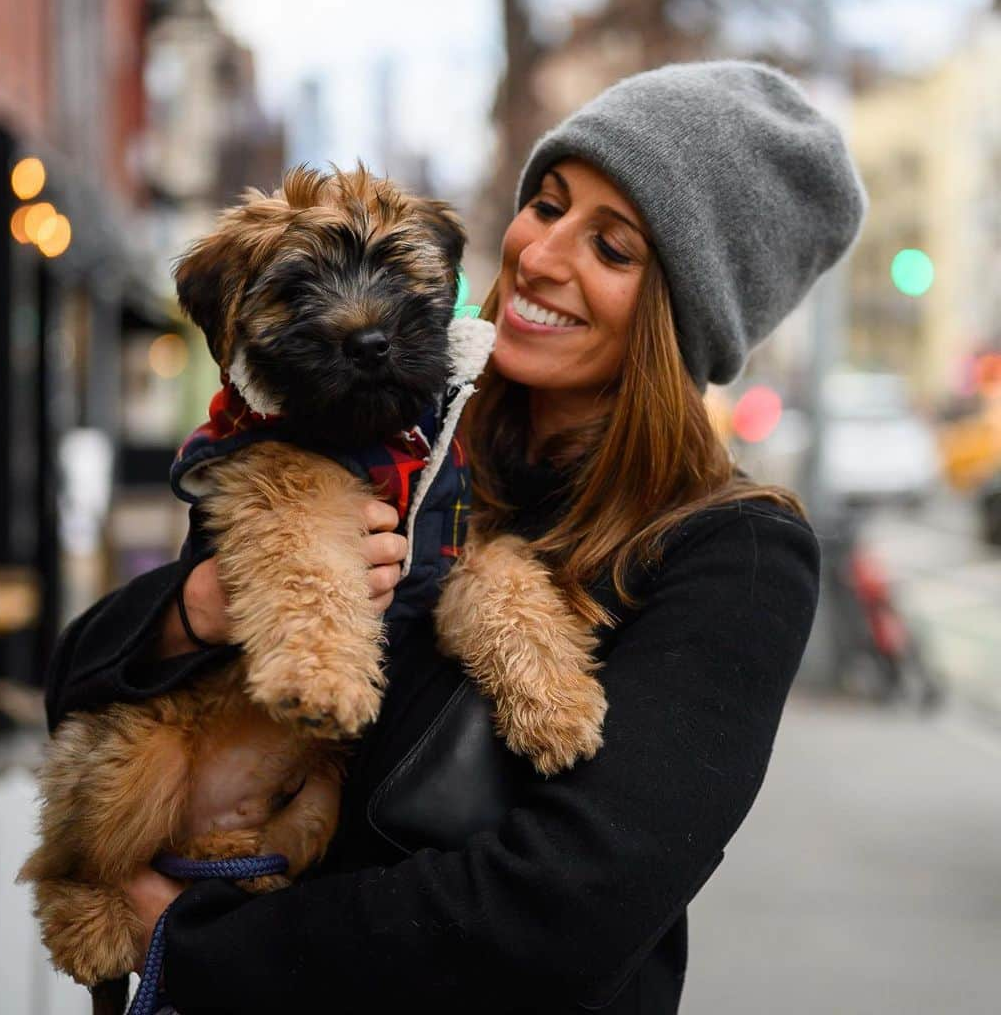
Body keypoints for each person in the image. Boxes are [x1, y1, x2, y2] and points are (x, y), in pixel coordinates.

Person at [44, 60, 865, 1013]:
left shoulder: (734, 556)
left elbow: (566, 905)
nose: (544, 255)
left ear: (680, 313)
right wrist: (198, 611)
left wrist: (189, 945)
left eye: (612, 247)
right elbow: (77, 688)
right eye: (548, 204)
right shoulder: (387, 428)